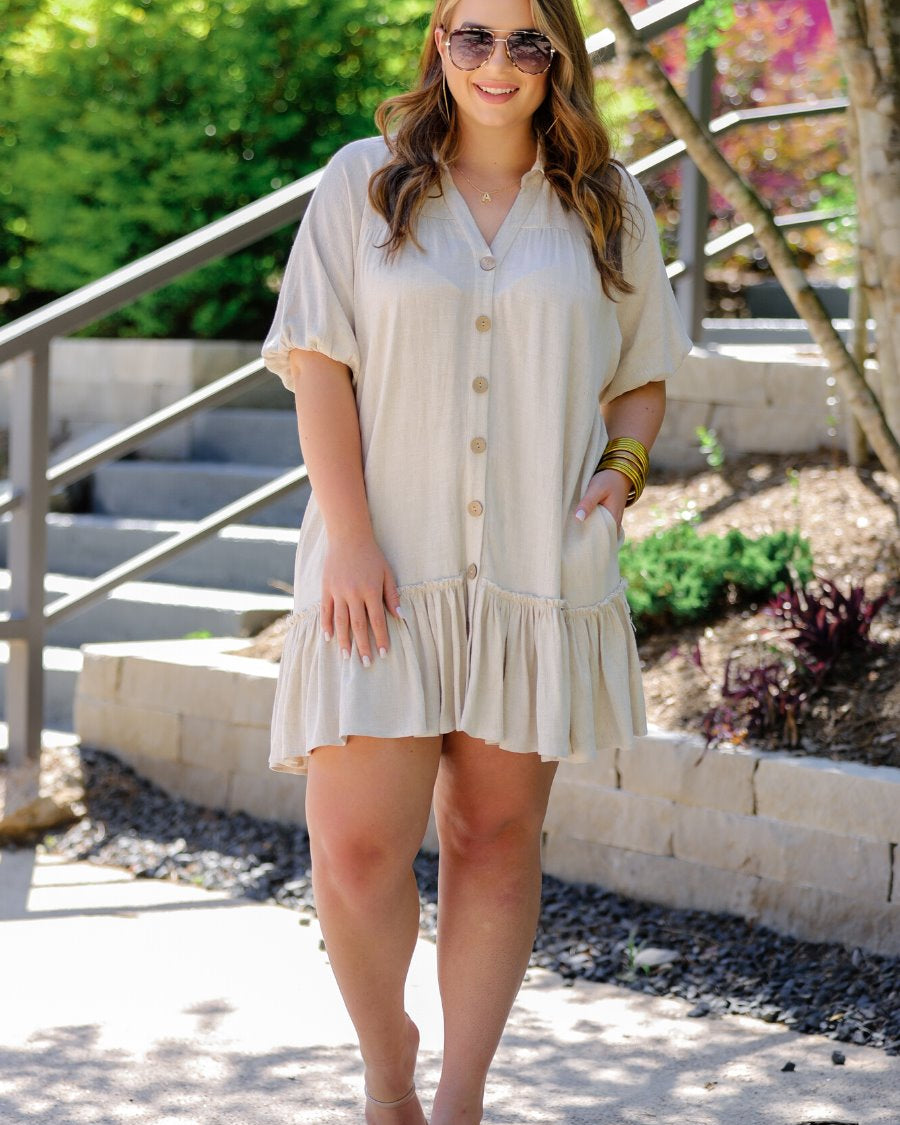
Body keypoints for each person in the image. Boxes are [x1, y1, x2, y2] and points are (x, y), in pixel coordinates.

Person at [261, 0, 691, 1121]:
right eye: (472, 37)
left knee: (494, 840)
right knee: (356, 852)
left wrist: (624, 469)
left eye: (525, 41)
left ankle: (459, 1097)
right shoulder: (362, 182)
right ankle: (387, 1064)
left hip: (534, 575)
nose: (496, 64)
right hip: (378, 572)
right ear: (438, 47)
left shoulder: (608, 206)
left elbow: (642, 373)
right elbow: (317, 367)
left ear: (558, 58)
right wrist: (346, 534)